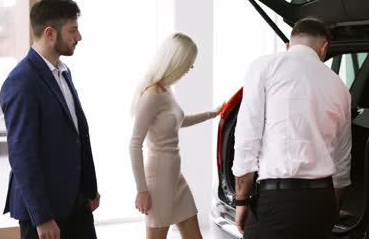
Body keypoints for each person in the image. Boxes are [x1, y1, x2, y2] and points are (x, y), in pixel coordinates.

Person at [232, 17, 352, 238]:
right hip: (322, 202)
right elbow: (342, 162)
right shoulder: (340, 87)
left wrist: (241, 200)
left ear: (288, 46)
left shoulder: (266, 66)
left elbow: (247, 136)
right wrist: (331, 210)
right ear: (324, 48)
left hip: (278, 202)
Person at [0, 0, 100, 239]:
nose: (79, 37)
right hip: (45, 213)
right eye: (73, 30)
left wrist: (90, 188)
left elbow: (77, 134)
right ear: (49, 33)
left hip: (76, 203)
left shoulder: (64, 73)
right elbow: (23, 156)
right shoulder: (21, 82)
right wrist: (42, 217)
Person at [129, 32, 222, 239]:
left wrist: (212, 114)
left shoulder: (165, 92)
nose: (190, 68)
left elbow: (179, 120)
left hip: (174, 176)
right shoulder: (152, 95)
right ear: (175, 61)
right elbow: (134, 144)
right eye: (189, 62)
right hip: (158, 178)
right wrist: (142, 190)